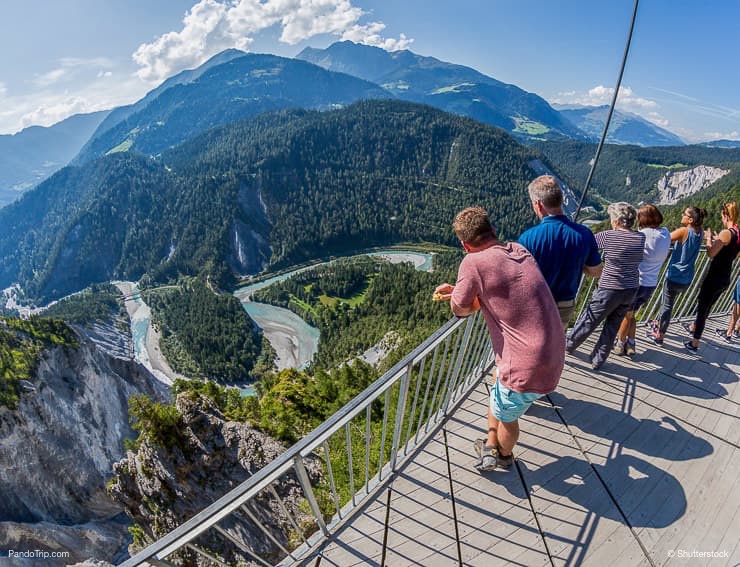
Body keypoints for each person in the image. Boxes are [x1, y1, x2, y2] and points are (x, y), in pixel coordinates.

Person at [434, 207, 564, 472]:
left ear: (465, 244)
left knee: (507, 417)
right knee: (499, 386)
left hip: (527, 364)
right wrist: (469, 292)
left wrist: (466, 296)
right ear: (493, 230)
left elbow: (459, 309)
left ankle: (503, 454)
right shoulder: (519, 250)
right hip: (554, 350)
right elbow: (510, 288)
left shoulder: (472, 262)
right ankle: (492, 443)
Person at [566, 202, 645, 370]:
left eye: (611, 218)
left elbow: (586, 241)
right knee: (612, 325)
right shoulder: (640, 238)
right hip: (630, 289)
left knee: (590, 320)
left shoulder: (609, 236)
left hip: (609, 288)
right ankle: (597, 360)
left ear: (616, 220)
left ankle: (568, 345)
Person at [518, 175, 603, 328]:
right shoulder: (584, 234)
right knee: (556, 342)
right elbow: (596, 272)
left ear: (538, 204)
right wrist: (578, 263)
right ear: (560, 200)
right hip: (565, 305)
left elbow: (519, 279)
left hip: (537, 304)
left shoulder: (528, 238)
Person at [684, 202, 740, 352]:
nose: (721, 219)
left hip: (715, 277)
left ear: (726, 215)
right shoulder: (737, 233)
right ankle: (694, 327)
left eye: (722, 216)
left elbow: (710, 253)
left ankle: (694, 343)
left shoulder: (726, 233)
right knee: (707, 307)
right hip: (725, 278)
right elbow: (733, 255)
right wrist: (718, 242)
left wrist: (709, 239)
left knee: (702, 308)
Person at [615, 205, 671, 355]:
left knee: (626, 314)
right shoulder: (666, 234)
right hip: (650, 284)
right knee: (631, 314)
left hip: (636, 281)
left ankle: (620, 344)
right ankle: (631, 344)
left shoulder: (642, 235)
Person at [646, 206, 706, 345]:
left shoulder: (683, 231)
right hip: (687, 278)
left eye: (684, 213)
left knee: (667, 305)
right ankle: (658, 323)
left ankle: (659, 335)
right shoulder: (700, 232)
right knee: (667, 303)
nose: (682, 215)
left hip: (674, 276)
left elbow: (663, 239)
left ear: (690, 219)